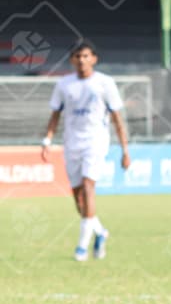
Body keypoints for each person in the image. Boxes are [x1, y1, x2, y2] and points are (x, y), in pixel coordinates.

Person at [41, 39, 131, 261]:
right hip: (72, 143)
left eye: (86, 56)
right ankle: (100, 232)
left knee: (89, 186)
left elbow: (117, 119)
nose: (82, 60)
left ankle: (81, 247)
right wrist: (47, 141)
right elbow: (55, 115)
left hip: (96, 141)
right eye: (77, 57)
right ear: (72, 60)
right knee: (78, 199)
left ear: (94, 59)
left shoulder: (105, 83)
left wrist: (125, 150)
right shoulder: (64, 84)